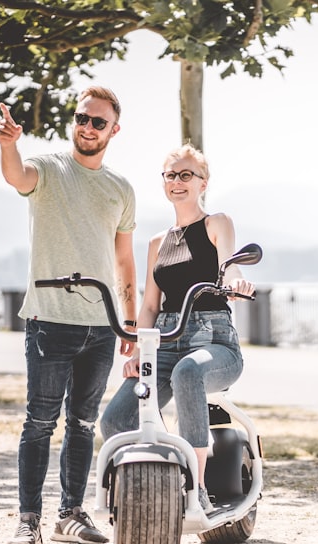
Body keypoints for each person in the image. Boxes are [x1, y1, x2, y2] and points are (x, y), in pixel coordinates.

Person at [0, 86, 138, 544]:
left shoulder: (121, 189)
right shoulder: (51, 168)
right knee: (39, 421)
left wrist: (129, 323)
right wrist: (9, 144)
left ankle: (70, 515)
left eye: (99, 122)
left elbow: (124, 261)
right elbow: (18, 177)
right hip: (49, 319)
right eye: (82, 118)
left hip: (101, 326)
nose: (88, 127)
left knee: (82, 423)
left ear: (114, 130)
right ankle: (28, 520)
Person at [101, 143, 254, 513]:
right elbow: (151, 303)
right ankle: (166, 473)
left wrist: (236, 281)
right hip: (165, 341)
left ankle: (196, 490)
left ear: (203, 183)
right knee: (116, 419)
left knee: (189, 372)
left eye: (187, 175)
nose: (177, 182)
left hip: (214, 341)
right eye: (171, 175)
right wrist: (139, 350)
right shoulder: (157, 242)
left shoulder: (217, 223)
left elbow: (229, 264)